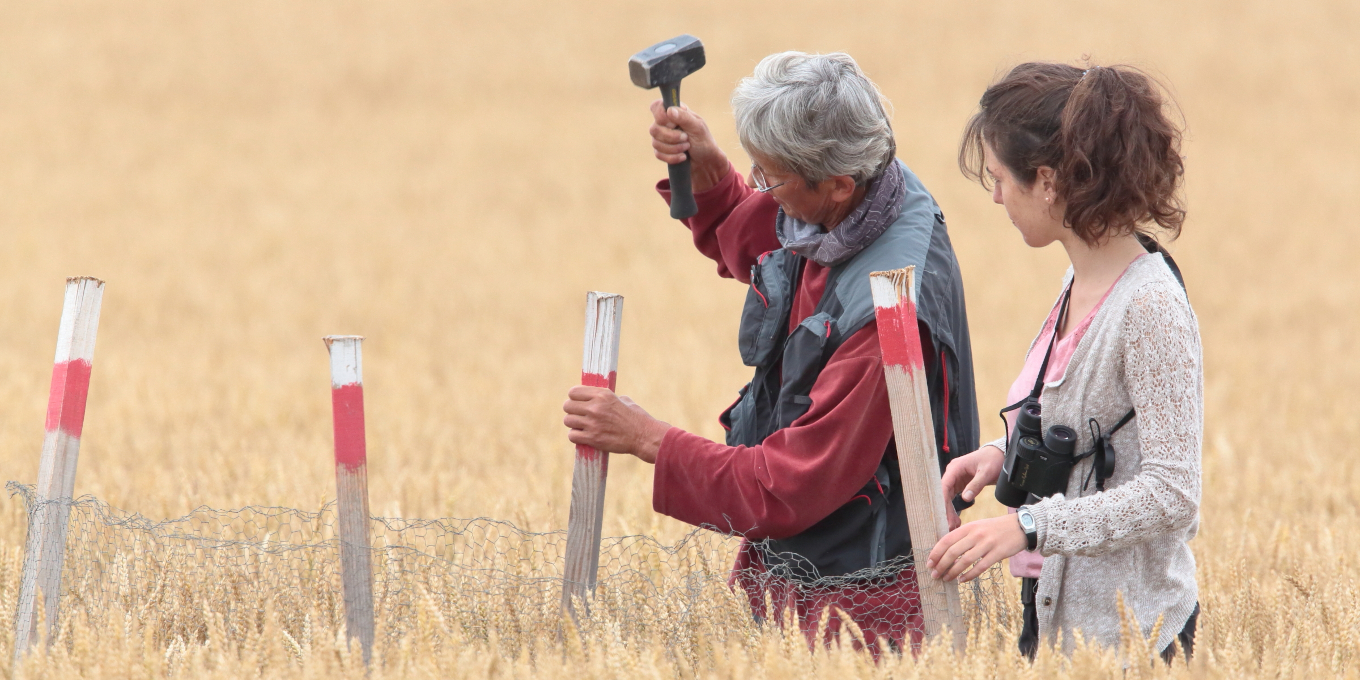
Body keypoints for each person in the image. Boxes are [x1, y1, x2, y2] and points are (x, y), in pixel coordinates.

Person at [561, 51, 978, 651]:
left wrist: (649, 439)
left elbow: (788, 485)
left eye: (770, 176)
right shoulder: (864, 190)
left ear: (837, 182)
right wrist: (711, 173)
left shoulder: (884, 317)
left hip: (864, 611)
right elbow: (769, 237)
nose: (761, 188)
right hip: (799, 580)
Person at [926, 62, 1202, 663]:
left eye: (1000, 178)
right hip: (1063, 629)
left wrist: (1026, 527)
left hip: (1135, 641)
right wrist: (1002, 457)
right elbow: (1088, 428)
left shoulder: (1148, 305)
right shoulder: (1080, 281)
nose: (996, 195)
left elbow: (1172, 492)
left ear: (1047, 181)